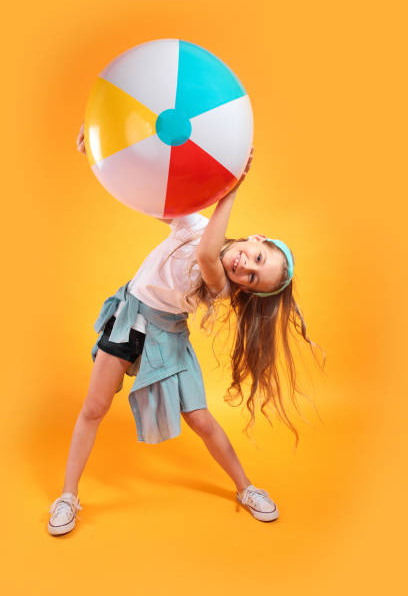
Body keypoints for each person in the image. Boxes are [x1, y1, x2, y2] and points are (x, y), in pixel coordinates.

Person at [48, 123, 325, 536]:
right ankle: (68, 496)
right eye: (255, 257)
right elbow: (142, 198)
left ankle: (246, 488)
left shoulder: (219, 284)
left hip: (166, 338)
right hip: (129, 318)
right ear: (257, 238)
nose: (244, 267)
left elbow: (208, 253)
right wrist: (100, 159)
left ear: (244, 290)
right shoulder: (193, 224)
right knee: (93, 408)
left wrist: (232, 189)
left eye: (251, 277)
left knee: (201, 420)